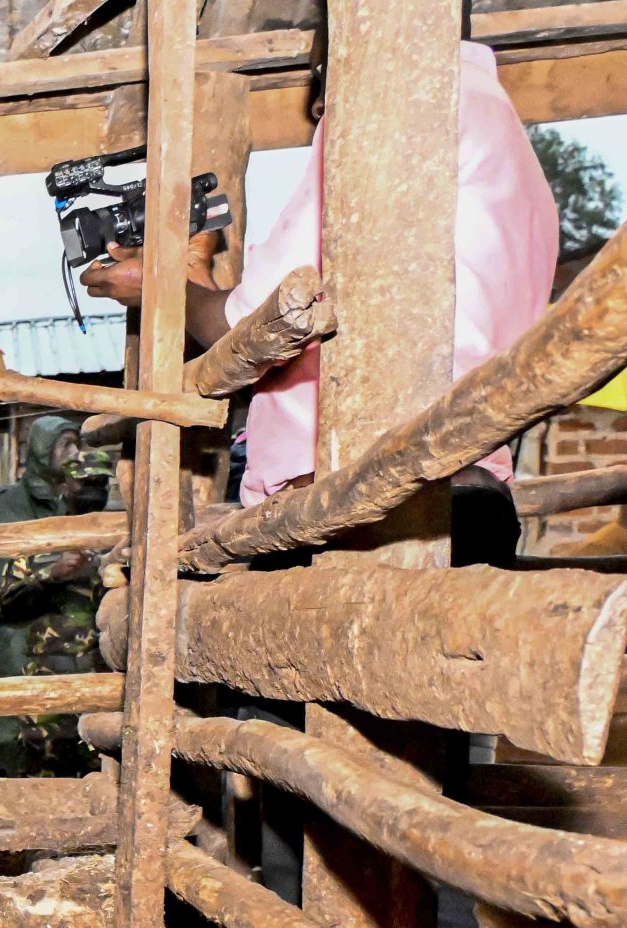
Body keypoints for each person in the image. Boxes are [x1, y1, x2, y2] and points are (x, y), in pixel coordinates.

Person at [82, 29, 556, 561]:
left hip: (359, 506)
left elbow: (247, 322)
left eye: (318, 99)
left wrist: (159, 286)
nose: (321, 113)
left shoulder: (384, 104)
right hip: (471, 496)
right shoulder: (508, 144)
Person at [0, 416, 114, 776]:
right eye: (65, 445)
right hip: (12, 645)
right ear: (44, 452)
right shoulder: (3, 508)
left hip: (69, 656)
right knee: (9, 752)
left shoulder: (79, 502)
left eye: (77, 444)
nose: (74, 454)